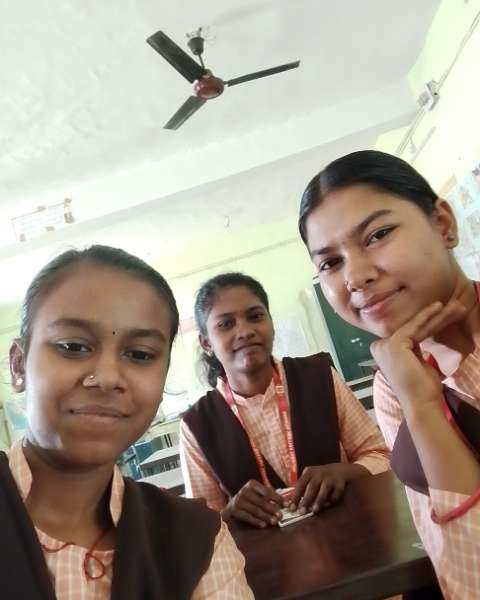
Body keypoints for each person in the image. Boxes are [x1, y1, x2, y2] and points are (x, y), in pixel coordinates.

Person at [2, 245, 253, 600]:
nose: (107, 378)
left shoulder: (197, 541)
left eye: (139, 354)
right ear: (18, 365)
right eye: (73, 346)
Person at [298, 149, 480, 599]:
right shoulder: (393, 382)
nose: (356, 276)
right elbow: (458, 569)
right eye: (330, 263)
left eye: (378, 234)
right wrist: (419, 403)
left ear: (444, 224)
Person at [180, 272, 390, 528]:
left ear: (271, 323)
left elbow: (382, 456)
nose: (245, 331)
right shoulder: (196, 426)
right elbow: (200, 527)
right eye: (225, 324)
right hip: (266, 553)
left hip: (354, 536)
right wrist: (229, 511)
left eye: (255, 316)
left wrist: (345, 472)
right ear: (206, 343)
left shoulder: (319, 376)